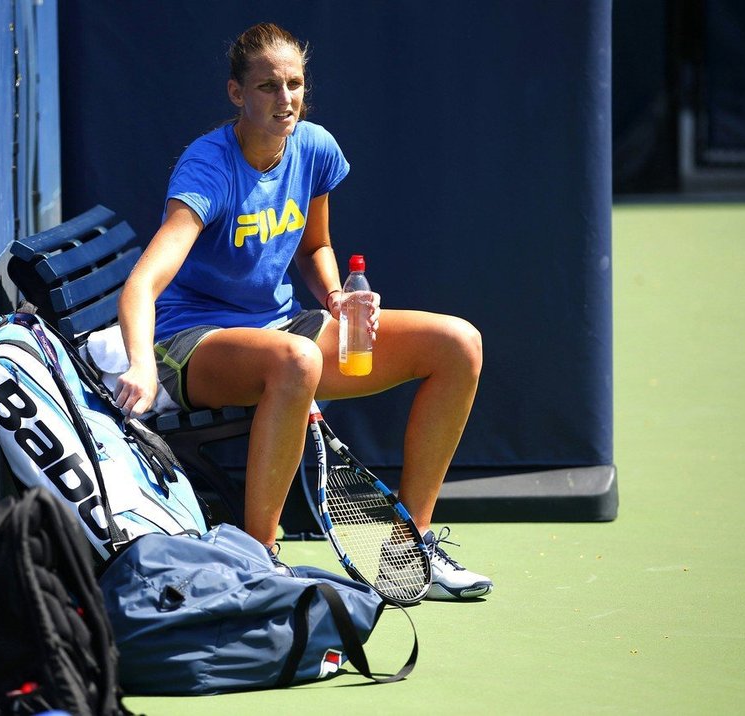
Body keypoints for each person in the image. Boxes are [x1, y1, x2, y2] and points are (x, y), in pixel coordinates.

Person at [116, 22, 492, 600]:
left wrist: (336, 296)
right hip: (192, 340)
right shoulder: (207, 168)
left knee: (457, 343)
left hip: (283, 328)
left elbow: (315, 245)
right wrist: (142, 362)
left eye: (293, 84)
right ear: (237, 93)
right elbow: (144, 282)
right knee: (295, 360)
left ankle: (410, 553)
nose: (284, 99)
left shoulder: (313, 147)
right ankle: (259, 562)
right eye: (267, 86)